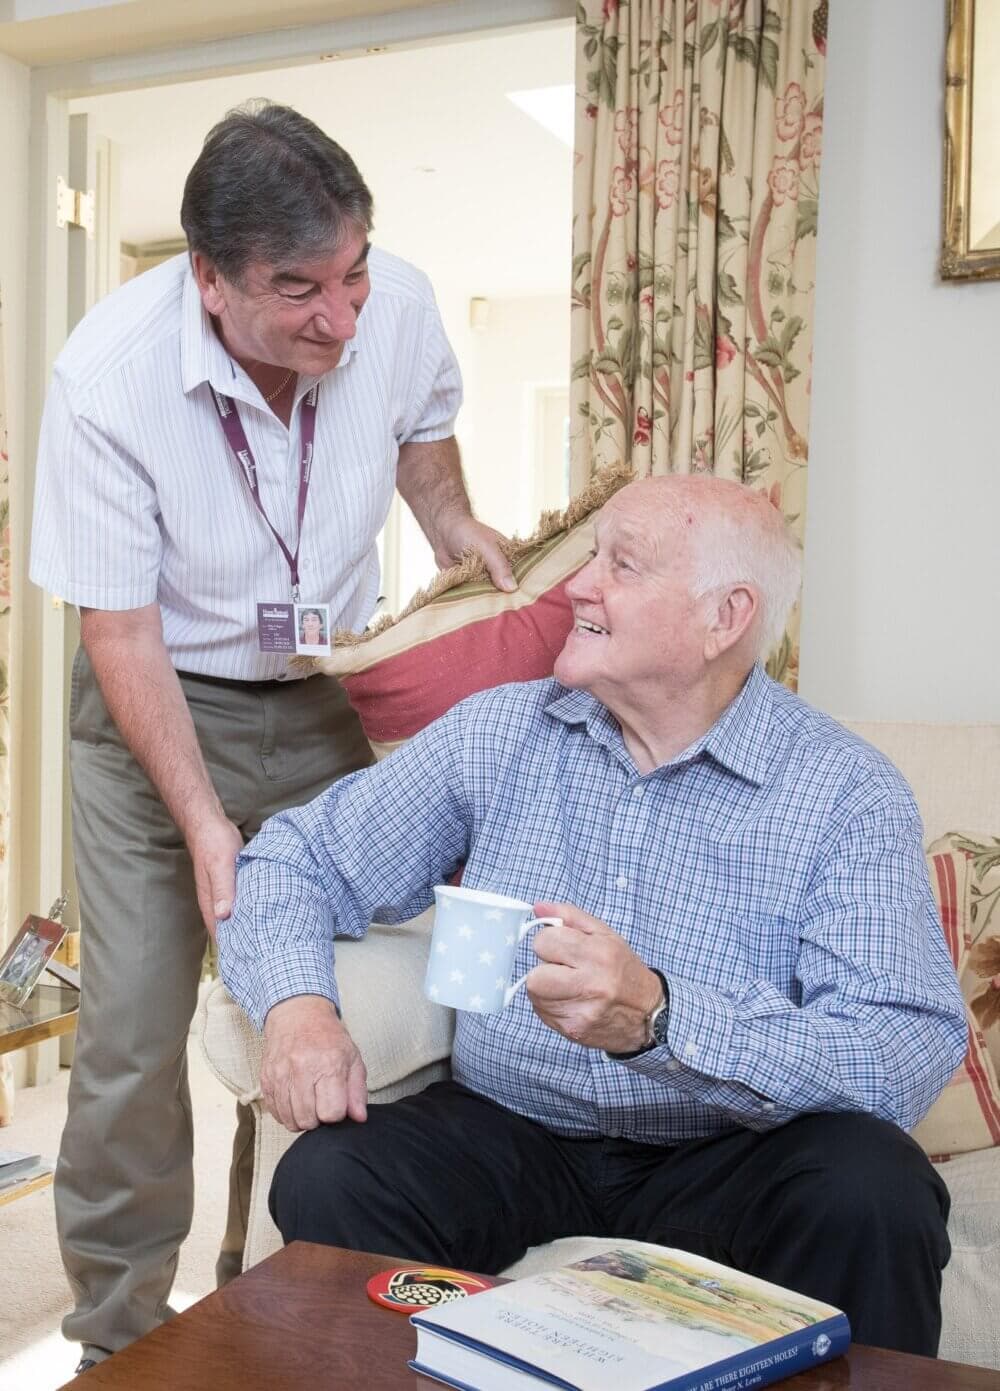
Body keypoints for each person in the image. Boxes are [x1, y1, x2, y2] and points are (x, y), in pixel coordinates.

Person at [219, 474, 969, 1357]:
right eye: (590, 559)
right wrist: (298, 1007)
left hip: (731, 1148)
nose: (578, 586)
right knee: (332, 1176)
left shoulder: (843, 792)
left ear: (723, 617)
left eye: (622, 565)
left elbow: (899, 1048)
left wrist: (662, 1018)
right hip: (514, 1129)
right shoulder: (500, 733)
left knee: (874, 1189)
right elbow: (291, 859)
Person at [29, 100, 514, 1374]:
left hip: (324, 692)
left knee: (342, 993)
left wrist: (456, 531)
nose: (340, 318)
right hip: (156, 706)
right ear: (208, 278)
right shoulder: (107, 380)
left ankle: (306, 1295)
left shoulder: (391, 306)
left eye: (352, 274)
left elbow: (422, 446)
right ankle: (118, 1334)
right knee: (132, 1031)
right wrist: (201, 823)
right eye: (299, 289)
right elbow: (120, 635)